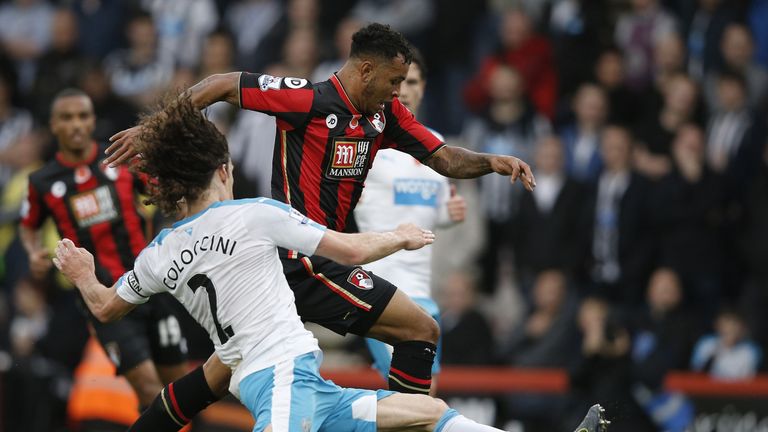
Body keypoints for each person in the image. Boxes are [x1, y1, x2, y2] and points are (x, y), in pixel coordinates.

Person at [55, 94, 609, 432]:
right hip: (283, 382)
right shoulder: (255, 214)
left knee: (424, 415)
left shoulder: (158, 254)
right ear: (223, 170)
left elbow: (105, 308)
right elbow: (349, 250)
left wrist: (82, 273)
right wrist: (401, 236)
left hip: (300, 386)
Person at [105, 23, 537, 430]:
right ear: (365, 71)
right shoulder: (306, 100)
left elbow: (443, 157)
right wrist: (154, 130)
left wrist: (491, 162)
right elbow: (222, 84)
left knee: (217, 373)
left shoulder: (386, 116)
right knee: (420, 329)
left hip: (316, 259)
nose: (397, 92)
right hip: (302, 260)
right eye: (393, 81)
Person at [18, 89, 188, 409]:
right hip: (103, 299)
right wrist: (32, 252)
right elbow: (28, 225)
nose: (76, 124)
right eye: (67, 118)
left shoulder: (121, 159)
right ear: (54, 125)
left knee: (179, 389)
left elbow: (160, 192)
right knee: (149, 391)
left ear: (93, 120)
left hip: (151, 286)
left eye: (83, 116)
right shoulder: (42, 181)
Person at [353, 48, 466, 393]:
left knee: (418, 399)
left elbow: (435, 211)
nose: (403, 91)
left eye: (412, 82)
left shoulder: (436, 143)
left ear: (424, 87)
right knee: (418, 395)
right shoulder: (366, 140)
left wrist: (449, 215)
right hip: (381, 290)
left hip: (423, 295)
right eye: (397, 81)